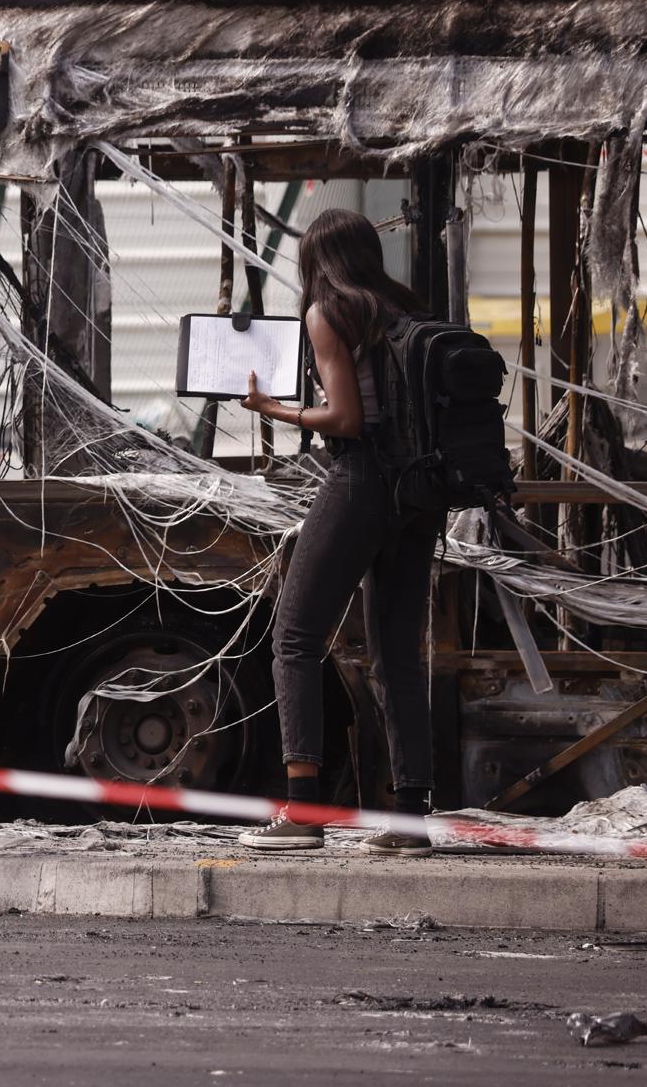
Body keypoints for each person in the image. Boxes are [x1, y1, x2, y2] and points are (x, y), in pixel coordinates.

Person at [236, 208, 442, 856]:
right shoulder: (401, 307)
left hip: (361, 481)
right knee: (397, 654)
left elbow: (347, 418)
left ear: (314, 259)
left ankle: (302, 810)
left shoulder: (328, 313)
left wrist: (276, 408)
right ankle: (410, 816)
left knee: (294, 637)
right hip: (417, 491)